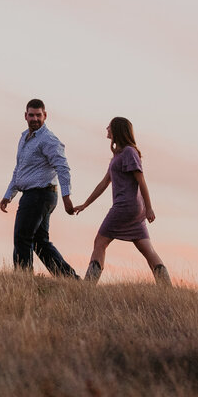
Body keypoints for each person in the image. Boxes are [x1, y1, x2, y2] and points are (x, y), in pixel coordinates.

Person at [73, 117, 171, 286]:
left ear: (117, 130)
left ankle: (88, 285)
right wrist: (85, 205)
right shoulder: (118, 155)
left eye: (109, 127)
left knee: (100, 242)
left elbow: (141, 181)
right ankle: (167, 288)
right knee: (147, 249)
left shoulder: (129, 152)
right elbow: (104, 183)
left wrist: (150, 208)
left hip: (125, 206)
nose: (107, 129)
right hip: (133, 209)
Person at [0, 99, 79, 278]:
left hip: (40, 195)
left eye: (38, 115)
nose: (35, 118)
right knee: (40, 242)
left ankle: (23, 279)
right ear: (25, 116)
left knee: (22, 237)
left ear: (45, 116)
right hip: (34, 195)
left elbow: (63, 167)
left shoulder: (48, 139)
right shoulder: (24, 138)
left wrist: (67, 198)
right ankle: (70, 279)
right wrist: (8, 195)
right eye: (31, 115)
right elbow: (20, 170)